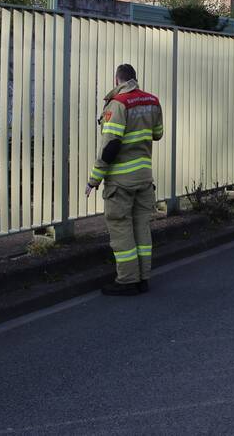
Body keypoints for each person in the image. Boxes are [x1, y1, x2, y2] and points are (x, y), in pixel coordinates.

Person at [86, 64, 164, 295]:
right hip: (144, 178)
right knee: (142, 228)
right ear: (134, 78)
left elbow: (110, 146)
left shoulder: (118, 104)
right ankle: (143, 278)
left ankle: (127, 281)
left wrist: (94, 180)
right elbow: (157, 134)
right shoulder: (152, 101)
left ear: (116, 80)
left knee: (121, 228)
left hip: (121, 182)